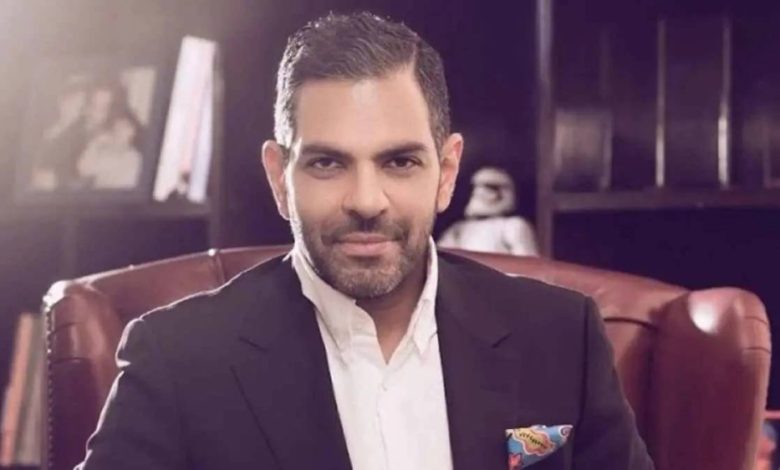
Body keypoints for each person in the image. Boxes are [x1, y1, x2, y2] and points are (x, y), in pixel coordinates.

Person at [77, 12, 653, 470]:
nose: (366, 200)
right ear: (280, 178)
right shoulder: (176, 358)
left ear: (447, 172)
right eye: (327, 163)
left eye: (399, 161)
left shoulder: (563, 336)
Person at [438, 166, 539, 256]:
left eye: (489, 187)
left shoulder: (513, 225)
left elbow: (528, 265)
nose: (479, 192)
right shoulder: (459, 229)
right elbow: (441, 258)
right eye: (477, 186)